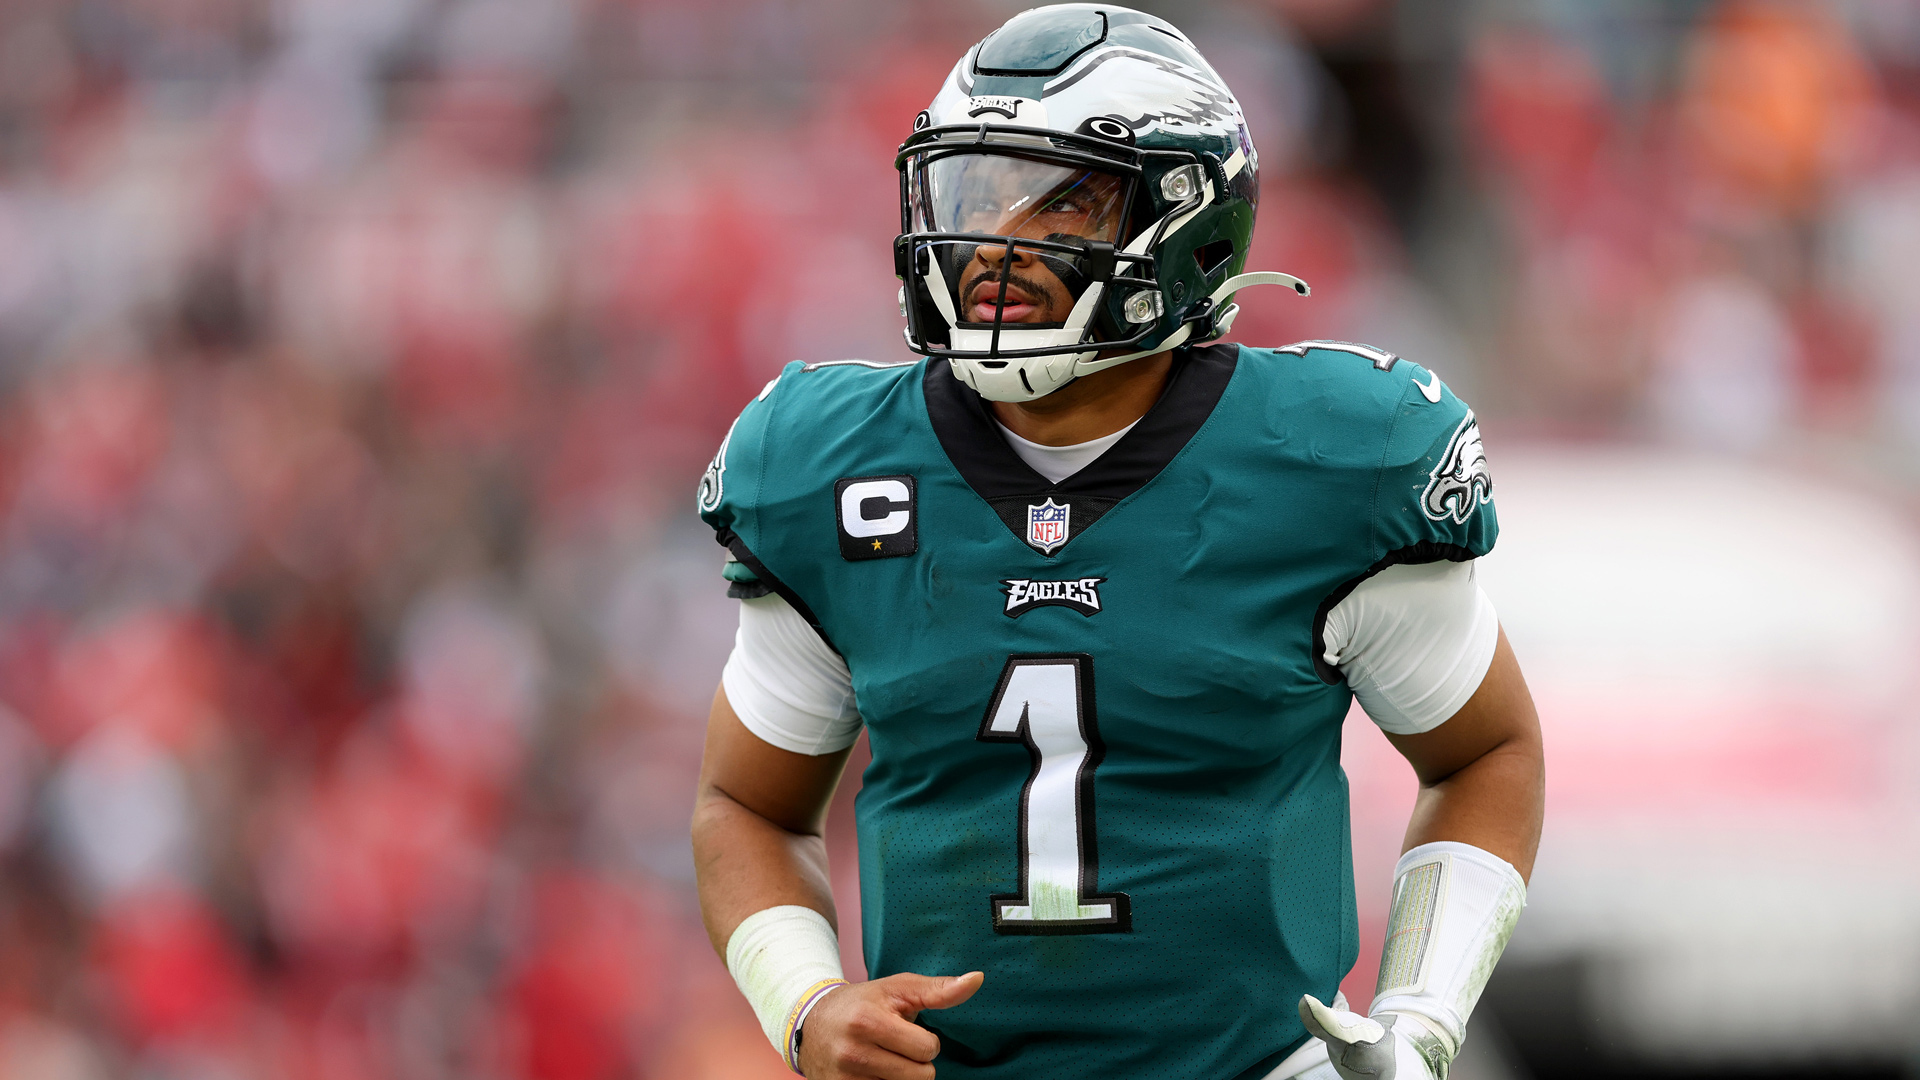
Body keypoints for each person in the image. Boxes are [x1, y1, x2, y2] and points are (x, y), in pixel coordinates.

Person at [690, 6, 1544, 1079]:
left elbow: (1485, 753)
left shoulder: (1333, 460)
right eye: (975, 193)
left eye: (1060, 204)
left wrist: (1420, 1017)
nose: (993, 241)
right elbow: (745, 806)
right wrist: (808, 1006)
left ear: (1183, 220)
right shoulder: (831, 468)